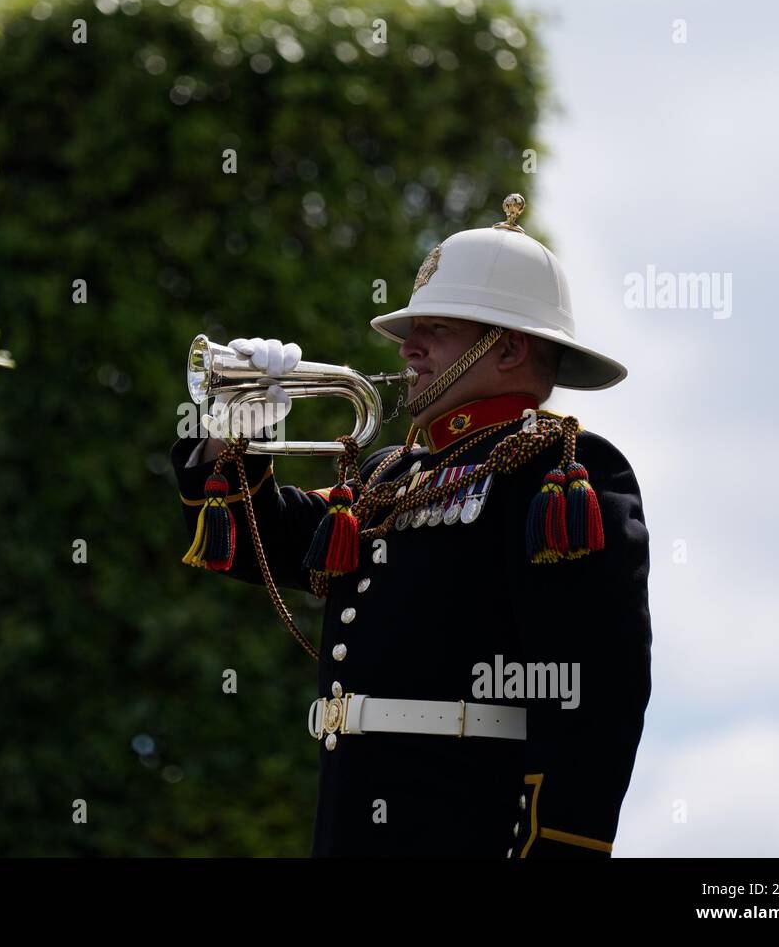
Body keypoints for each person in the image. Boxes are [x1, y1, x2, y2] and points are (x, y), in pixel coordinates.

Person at [170, 195, 652, 857]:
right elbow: (266, 545)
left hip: (468, 831)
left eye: (437, 329)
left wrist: (556, 846)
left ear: (507, 348)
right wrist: (233, 434)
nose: (411, 347)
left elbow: (595, 689)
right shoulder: (388, 471)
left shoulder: (562, 468)